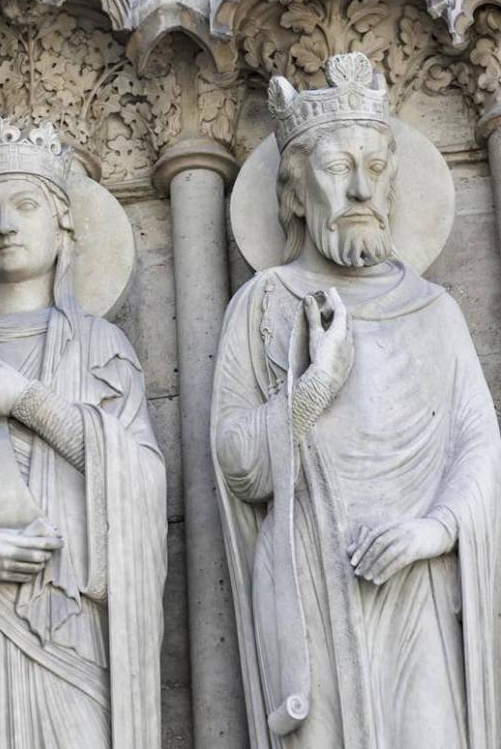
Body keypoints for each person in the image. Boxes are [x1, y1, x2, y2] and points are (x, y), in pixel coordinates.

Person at [212, 53, 501, 748]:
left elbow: (479, 443)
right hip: (309, 580)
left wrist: (434, 530)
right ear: (294, 194)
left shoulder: (434, 310)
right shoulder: (262, 304)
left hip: (417, 583)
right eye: (339, 168)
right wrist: (315, 387)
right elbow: (236, 462)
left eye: (375, 168)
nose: (361, 188)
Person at [0, 117, 166, 748]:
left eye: (25, 206)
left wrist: (24, 401)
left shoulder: (101, 346)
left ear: (62, 222)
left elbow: (142, 478)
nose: (6, 226)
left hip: (71, 619)